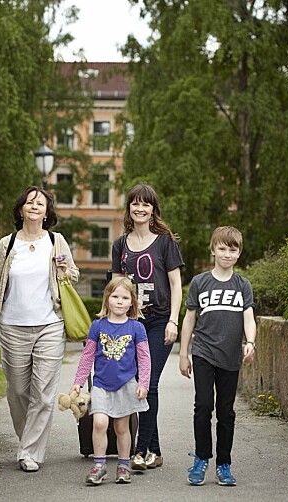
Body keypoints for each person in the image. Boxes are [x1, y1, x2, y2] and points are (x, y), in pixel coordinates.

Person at [0, 185, 79, 472]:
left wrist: (64, 269)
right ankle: (28, 442)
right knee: (18, 390)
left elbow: (74, 273)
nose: (34, 206)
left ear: (47, 213)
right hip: (12, 325)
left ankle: (29, 451)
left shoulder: (56, 241)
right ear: (21, 210)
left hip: (49, 325)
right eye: (29, 202)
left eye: (40, 203)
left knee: (43, 394)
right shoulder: (6, 244)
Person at [111, 183, 184, 471]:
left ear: (153, 209)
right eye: (135, 203)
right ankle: (154, 450)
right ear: (129, 208)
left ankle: (140, 450)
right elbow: (115, 288)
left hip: (158, 320)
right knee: (136, 384)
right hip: (131, 323)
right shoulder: (120, 245)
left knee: (148, 382)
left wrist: (173, 321)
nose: (140, 208)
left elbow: (176, 285)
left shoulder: (165, 241)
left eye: (146, 204)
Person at [179, 226, 256, 486]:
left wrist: (251, 343)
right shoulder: (200, 282)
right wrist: (183, 353)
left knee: (226, 412)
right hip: (203, 353)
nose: (226, 253)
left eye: (232, 249)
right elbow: (189, 319)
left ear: (239, 253)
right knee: (203, 407)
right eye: (222, 248)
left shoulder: (242, 285)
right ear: (213, 250)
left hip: (230, 357)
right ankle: (201, 458)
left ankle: (224, 463)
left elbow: (248, 317)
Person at [70, 276, 151, 485]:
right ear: (107, 299)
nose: (119, 301)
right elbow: (88, 355)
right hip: (101, 385)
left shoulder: (136, 328)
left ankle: (123, 466)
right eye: (115, 296)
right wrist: (78, 381)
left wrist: (143, 383)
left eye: (125, 297)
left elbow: (144, 358)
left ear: (132, 301)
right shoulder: (98, 326)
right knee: (99, 423)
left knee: (122, 428)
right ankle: (99, 465)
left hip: (126, 385)